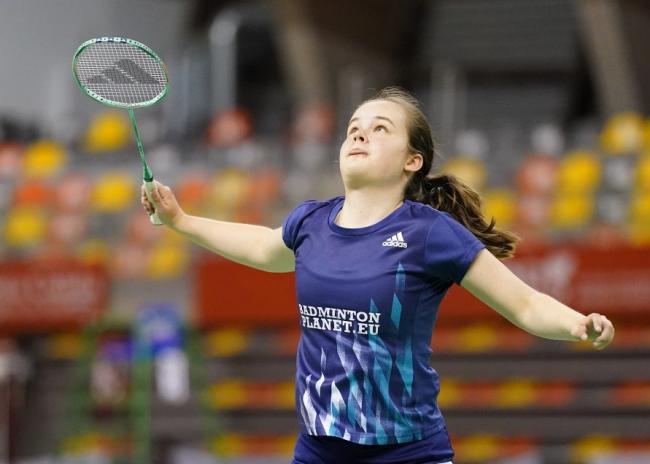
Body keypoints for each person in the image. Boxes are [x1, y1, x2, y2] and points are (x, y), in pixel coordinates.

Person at [141, 87, 615, 464]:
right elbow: (265, 248)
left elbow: (525, 304)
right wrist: (181, 221)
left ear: (413, 161)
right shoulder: (310, 223)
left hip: (407, 452)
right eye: (353, 128)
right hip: (319, 449)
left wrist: (575, 324)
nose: (359, 135)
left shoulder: (429, 233)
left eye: (379, 128)